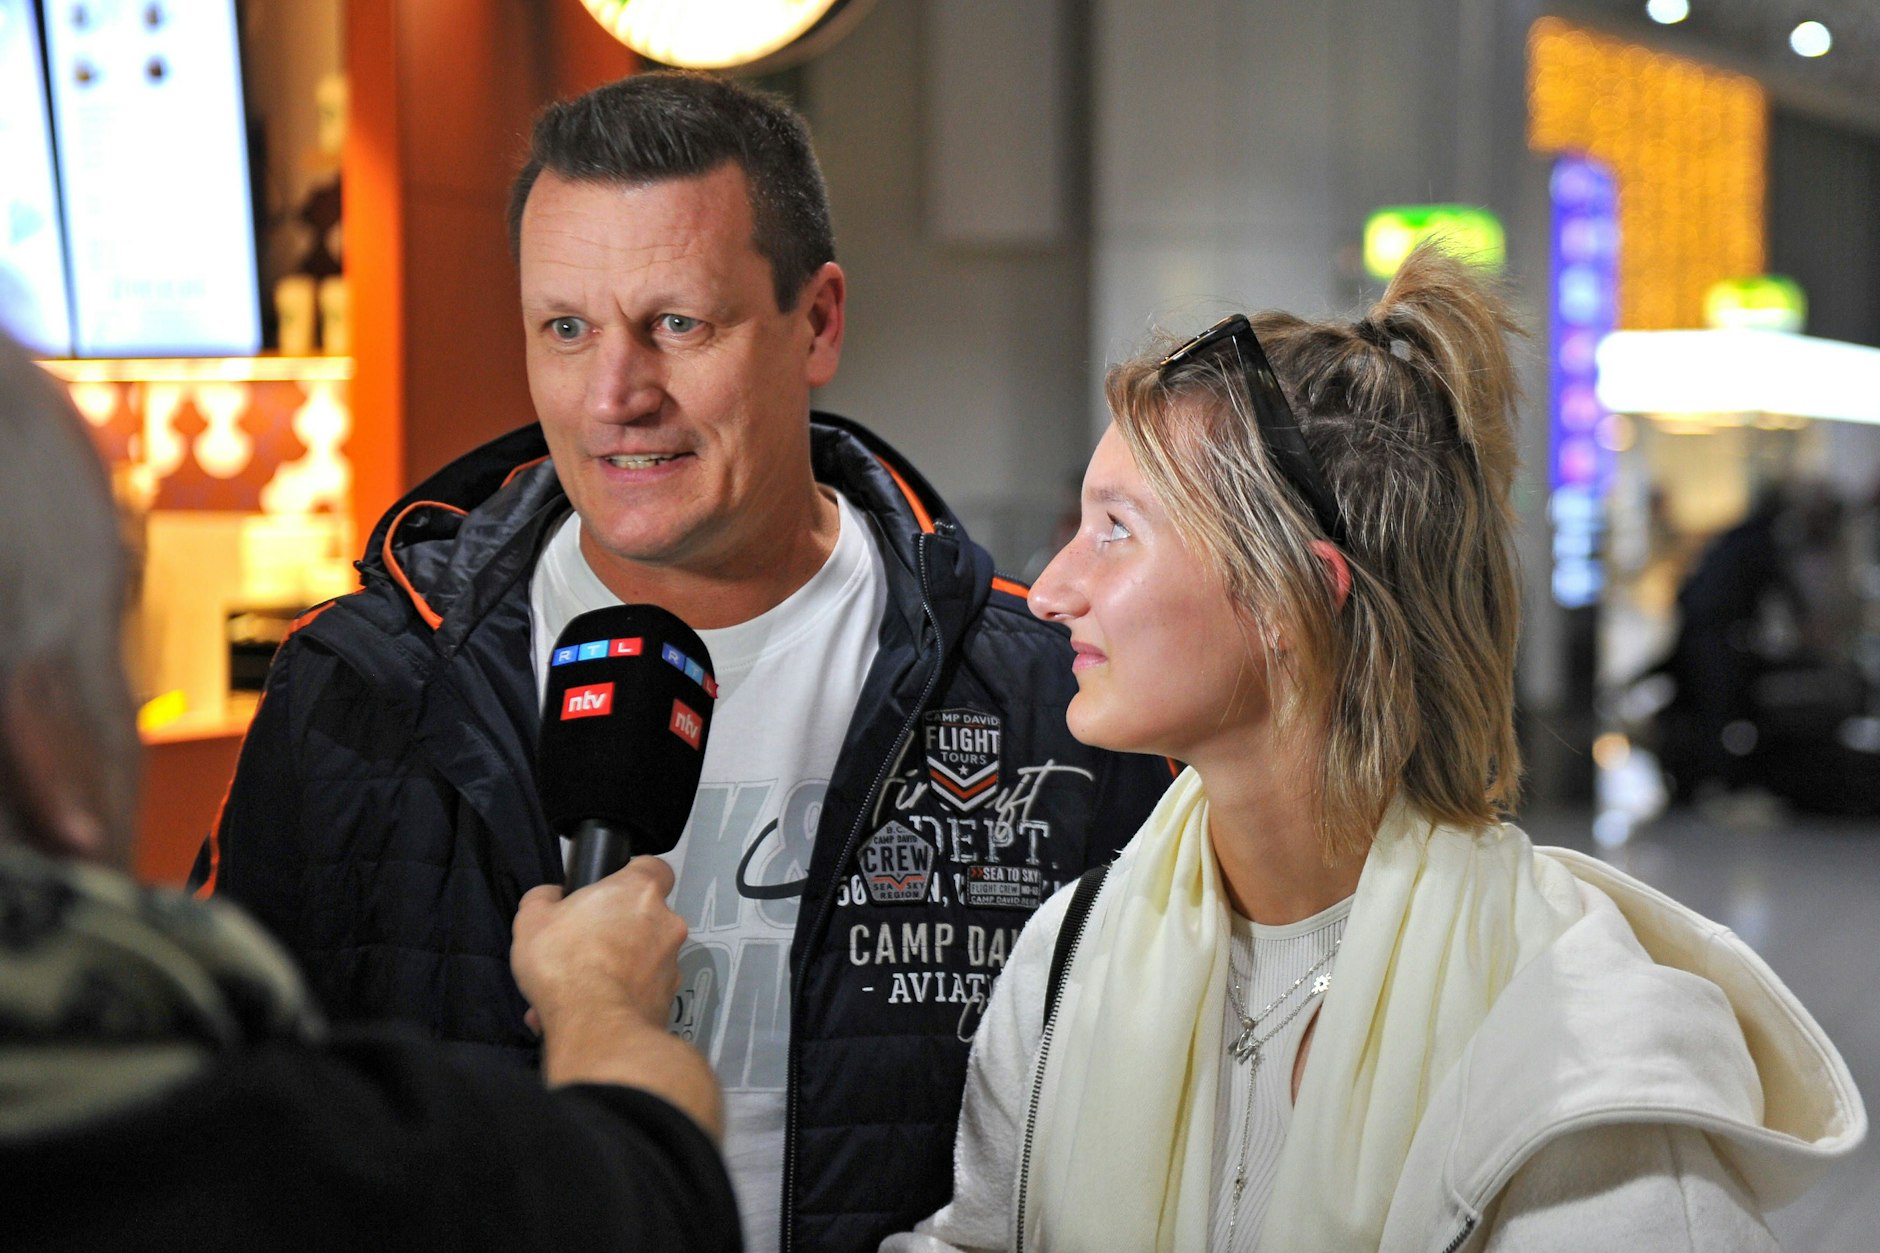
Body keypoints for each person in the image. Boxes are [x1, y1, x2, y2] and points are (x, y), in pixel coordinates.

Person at [192, 71, 1170, 1251]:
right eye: (565, 329)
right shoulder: (357, 687)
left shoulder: (1050, 696)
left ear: (817, 322)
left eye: (677, 325)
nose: (615, 396)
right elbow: (225, 1133)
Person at [887, 245, 1867, 1252]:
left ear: (1291, 598)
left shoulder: (1579, 1057)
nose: (1049, 590)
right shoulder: (1073, 955)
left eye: (1114, 530)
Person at [0, 330, 738, 1251]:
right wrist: (600, 1002)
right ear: (40, 732)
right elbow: (651, 1190)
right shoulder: (273, 1164)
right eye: (118, 649)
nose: (619, 391)